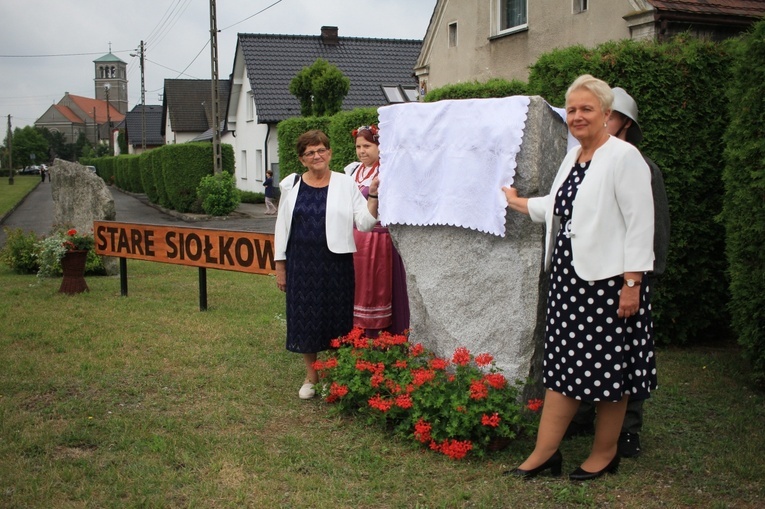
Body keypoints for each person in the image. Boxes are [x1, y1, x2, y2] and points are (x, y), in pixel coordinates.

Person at [502, 75, 657, 481]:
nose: (577, 116)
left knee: (611, 373)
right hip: (569, 282)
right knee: (562, 370)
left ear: (608, 114)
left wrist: (632, 283)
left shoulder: (624, 158)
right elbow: (559, 206)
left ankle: (605, 454)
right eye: (571, 109)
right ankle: (544, 454)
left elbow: (642, 225)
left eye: (586, 109)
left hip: (609, 285)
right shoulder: (573, 158)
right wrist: (518, 203)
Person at [566, 87, 671, 459]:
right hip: (591, 276)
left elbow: (650, 227)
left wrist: (641, 279)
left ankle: (628, 429)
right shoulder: (585, 161)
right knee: (586, 349)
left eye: (605, 114)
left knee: (625, 356)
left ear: (623, 121)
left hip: (629, 277)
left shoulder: (637, 164)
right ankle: (581, 416)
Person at [274, 130, 379, 400]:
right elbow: (282, 227)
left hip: (337, 262)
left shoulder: (346, 183)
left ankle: (335, 375)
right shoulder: (291, 185)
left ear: (330, 153)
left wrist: (374, 197)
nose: (316, 155)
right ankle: (312, 377)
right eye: (310, 152)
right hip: (301, 262)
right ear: (302, 159)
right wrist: (281, 265)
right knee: (304, 318)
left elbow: (365, 224)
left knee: (336, 319)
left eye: (321, 150)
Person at [343, 125, 410, 336]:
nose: (362, 151)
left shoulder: (386, 172)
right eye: (358, 146)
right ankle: (353, 336)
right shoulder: (352, 170)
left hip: (378, 239)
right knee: (354, 287)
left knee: (374, 290)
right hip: (353, 237)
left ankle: (378, 337)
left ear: (380, 146)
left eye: (367, 146)